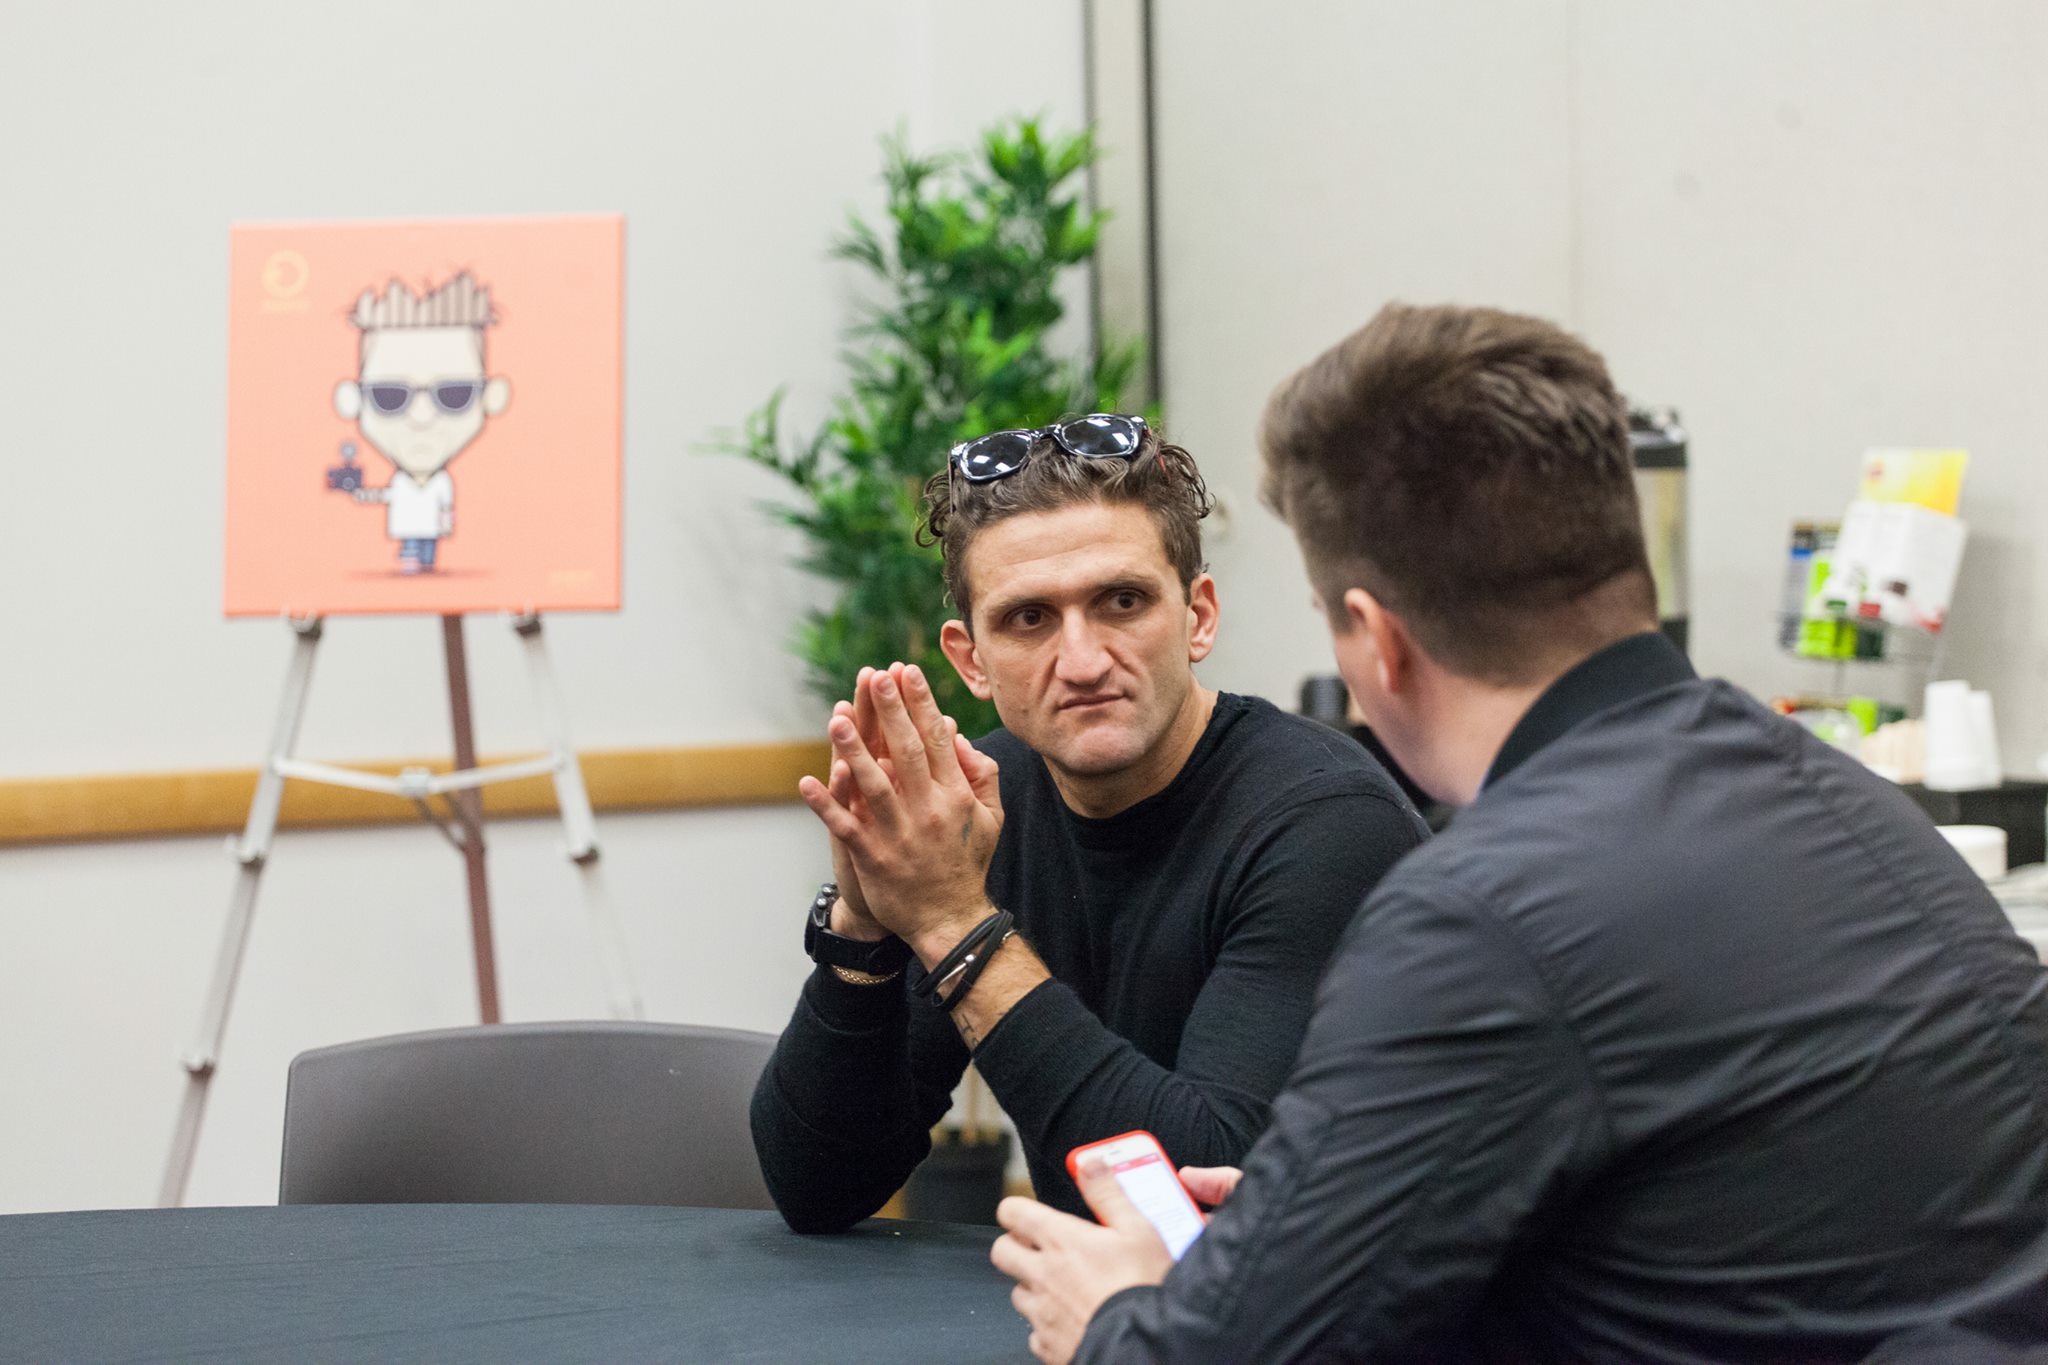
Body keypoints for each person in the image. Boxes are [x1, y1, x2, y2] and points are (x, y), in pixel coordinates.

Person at [992, 306, 2048, 1363]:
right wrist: (1320, 1224)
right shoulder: (1847, 807)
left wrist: (1114, 1320)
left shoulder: (1479, 916)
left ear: (1377, 640)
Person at [748, 416, 1429, 1231]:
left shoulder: (1326, 824)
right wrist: (862, 930)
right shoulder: (989, 801)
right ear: (971, 660)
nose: (1082, 660)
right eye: (1029, 618)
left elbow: (1196, 1206)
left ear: (1197, 616)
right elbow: (818, 1187)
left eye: (1122, 601)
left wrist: (956, 927)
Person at [330, 272, 509, 574]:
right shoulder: (402, 482)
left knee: (426, 556)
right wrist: (356, 490)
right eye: (389, 397)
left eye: (454, 395)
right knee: (412, 554)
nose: (421, 417)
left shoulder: (441, 483)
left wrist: (446, 526)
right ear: (352, 400)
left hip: (431, 532)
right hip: (406, 530)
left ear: (491, 397)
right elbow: (386, 496)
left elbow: (444, 508)